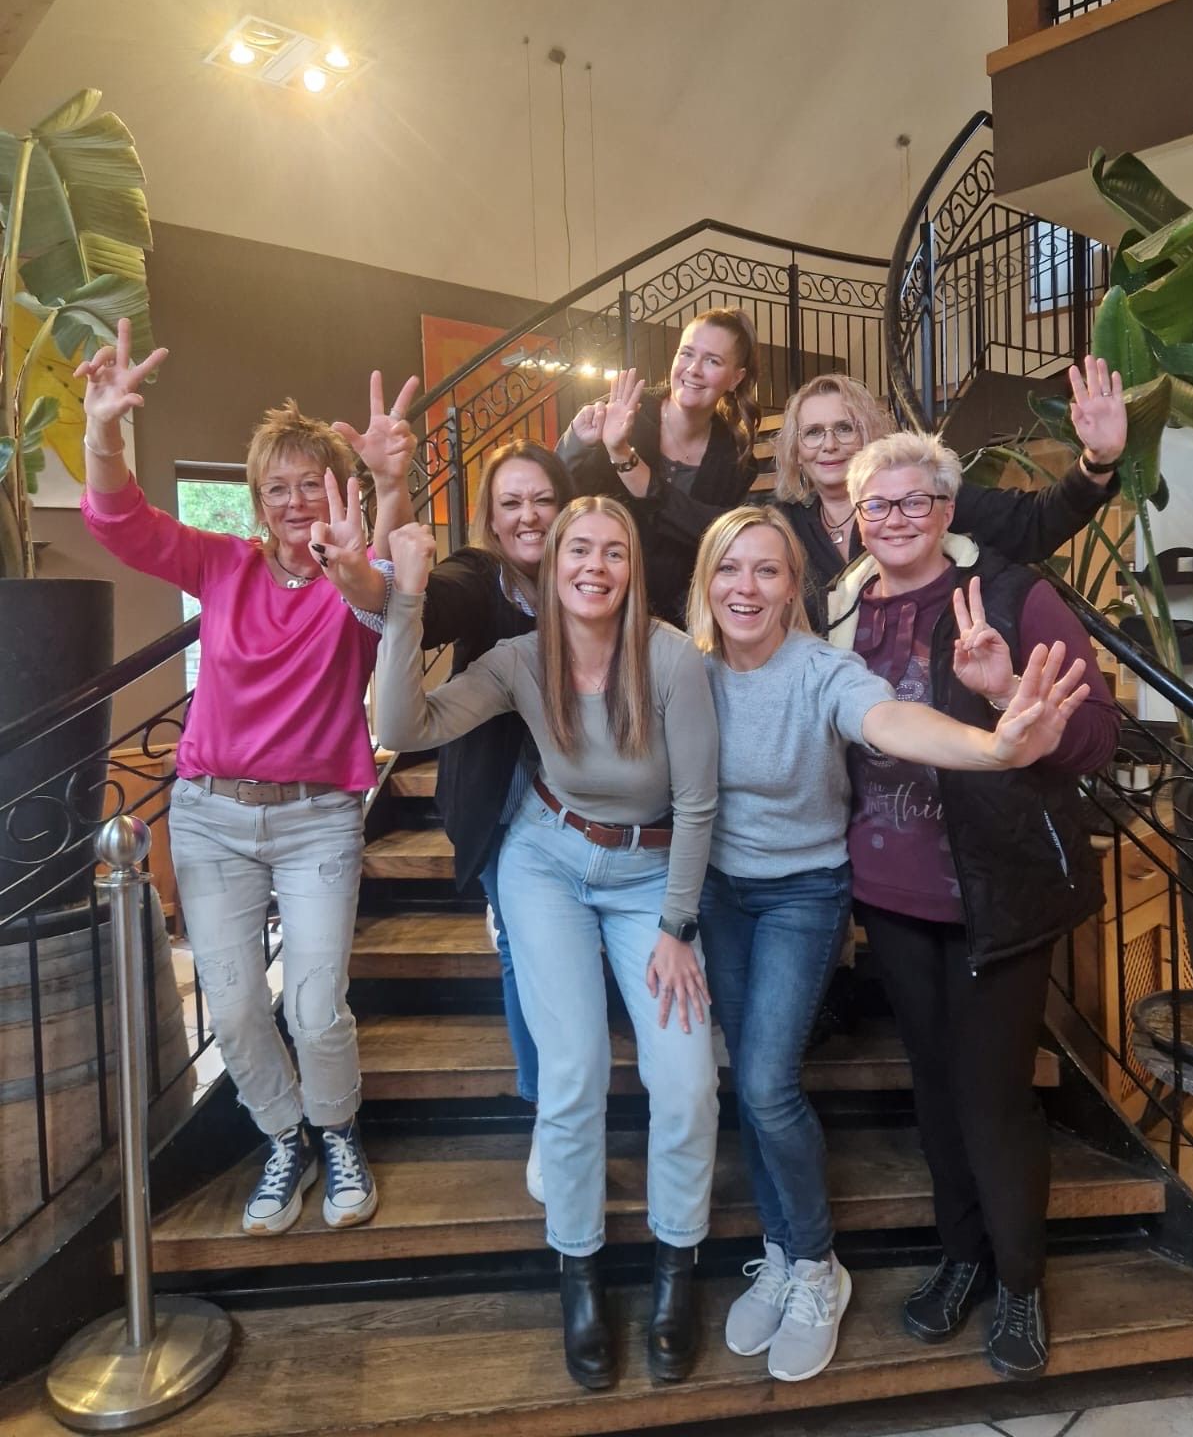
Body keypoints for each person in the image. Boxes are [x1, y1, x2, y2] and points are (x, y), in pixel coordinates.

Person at [686, 505, 1091, 1384]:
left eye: (767, 569)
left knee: (768, 1082)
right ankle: (784, 1251)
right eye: (729, 568)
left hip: (805, 892)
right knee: (750, 1082)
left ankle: (820, 1266)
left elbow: (889, 720)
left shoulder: (825, 669)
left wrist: (991, 746)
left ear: (795, 588)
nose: (745, 587)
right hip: (720, 896)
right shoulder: (687, 672)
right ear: (705, 581)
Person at [351, 495, 720, 1392]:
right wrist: (405, 605)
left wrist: (677, 926)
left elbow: (699, 804)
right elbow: (402, 729)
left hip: (650, 877)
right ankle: (579, 1268)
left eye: (614, 552)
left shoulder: (672, 657)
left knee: (686, 1079)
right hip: (546, 863)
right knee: (573, 1070)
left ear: (633, 570)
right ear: (552, 568)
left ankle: (677, 1266)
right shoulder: (520, 658)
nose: (595, 566)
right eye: (578, 550)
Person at [77, 319, 417, 1236]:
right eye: (279, 488)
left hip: (318, 820)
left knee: (314, 1006)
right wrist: (103, 432)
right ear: (258, 504)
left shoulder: (356, 578)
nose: (297, 501)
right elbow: (121, 522)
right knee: (231, 1008)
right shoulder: (224, 566)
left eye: (314, 483)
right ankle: (283, 1138)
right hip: (211, 818)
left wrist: (389, 486)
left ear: (338, 490)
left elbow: (384, 590)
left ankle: (337, 1132)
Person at [826, 431, 1120, 1381]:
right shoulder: (836, 609)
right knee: (936, 1087)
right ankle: (963, 1257)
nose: (897, 519)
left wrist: (1005, 706)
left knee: (993, 1096)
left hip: (999, 890)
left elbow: (1097, 736)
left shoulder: (1012, 594)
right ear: (855, 518)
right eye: (878, 504)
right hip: (890, 894)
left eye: (916, 501)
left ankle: (1020, 1279)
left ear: (948, 511)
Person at [326, 438, 575, 1202]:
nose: (528, 515)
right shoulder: (478, 575)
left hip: (587, 796)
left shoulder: (594, 569)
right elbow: (417, 602)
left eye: (543, 499)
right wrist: (370, 548)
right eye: (511, 502)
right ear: (490, 519)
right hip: (502, 796)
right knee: (523, 954)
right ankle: (547, 1110)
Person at [771, 357, 1127, 626]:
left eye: (845, 428)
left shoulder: (928, 501)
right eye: (813, 433)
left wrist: (1097, 461)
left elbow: (1033, 522)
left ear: (870, 437)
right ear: (796, 451)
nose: (829, 445)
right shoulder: (781, 526)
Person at [558, 308, 761, 622]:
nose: (693, 369)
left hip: (676, 615)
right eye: (686, 353)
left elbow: (711, 535)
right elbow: (557, 494)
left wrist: (624, 457)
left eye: (712, 361)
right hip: (593, 598)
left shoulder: (735, 459)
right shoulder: (627, 412)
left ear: (736, 378)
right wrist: (577, 440)